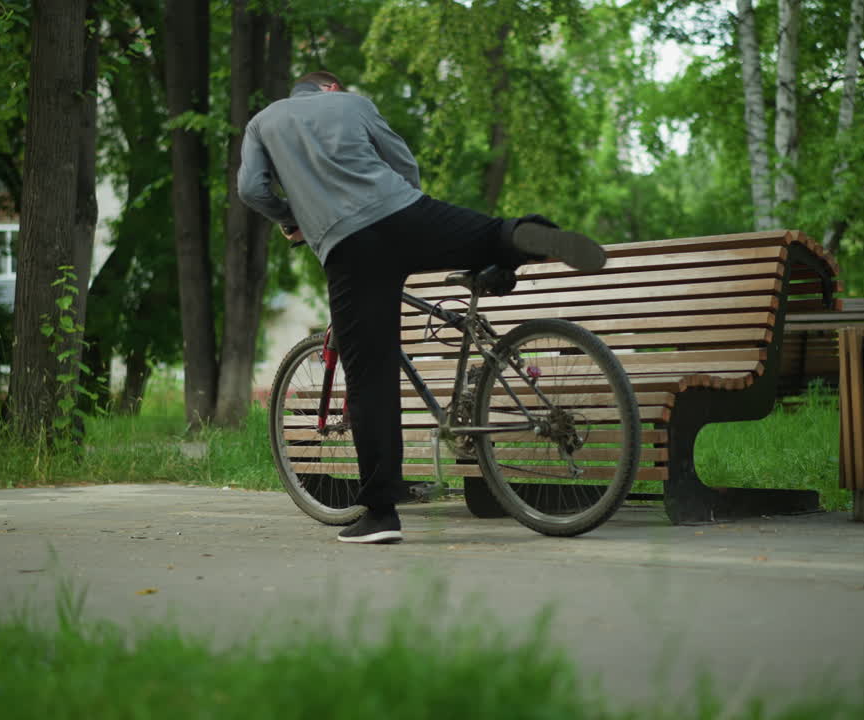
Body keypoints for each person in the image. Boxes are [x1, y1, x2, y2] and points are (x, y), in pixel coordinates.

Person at [238, 70, 606, 544]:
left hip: (349, 247)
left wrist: (292, 219)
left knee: (371, 375)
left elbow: (251, 189)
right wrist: (406, 208)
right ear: (331, 88)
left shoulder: (263, 123)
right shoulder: (353, 105)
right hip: (405, 213)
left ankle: (380, 513)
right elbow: (403, 163)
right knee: (490, 233)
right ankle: (521, 243)